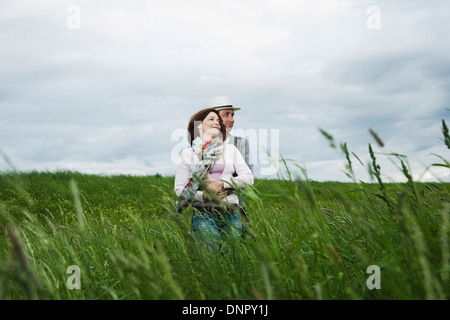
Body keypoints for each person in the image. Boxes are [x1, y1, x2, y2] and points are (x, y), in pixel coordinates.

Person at [174, 108, 254, 252]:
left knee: (233, 260)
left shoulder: (231, 150)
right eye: (211, 119)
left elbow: (248, 178)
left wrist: (222, 183)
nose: (217, 122)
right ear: (199, 125)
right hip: (203, 214)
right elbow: (180, 191)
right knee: (210, 261)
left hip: (231, 214)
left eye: (218, 120)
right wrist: (206, 195)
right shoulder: (188, 154)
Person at [207, 96, 253, 173]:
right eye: (226, 115)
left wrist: (222, 184)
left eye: (232, 115)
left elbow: (248, 174)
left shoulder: (241, 143)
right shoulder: (198, 144)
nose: (232, 120)